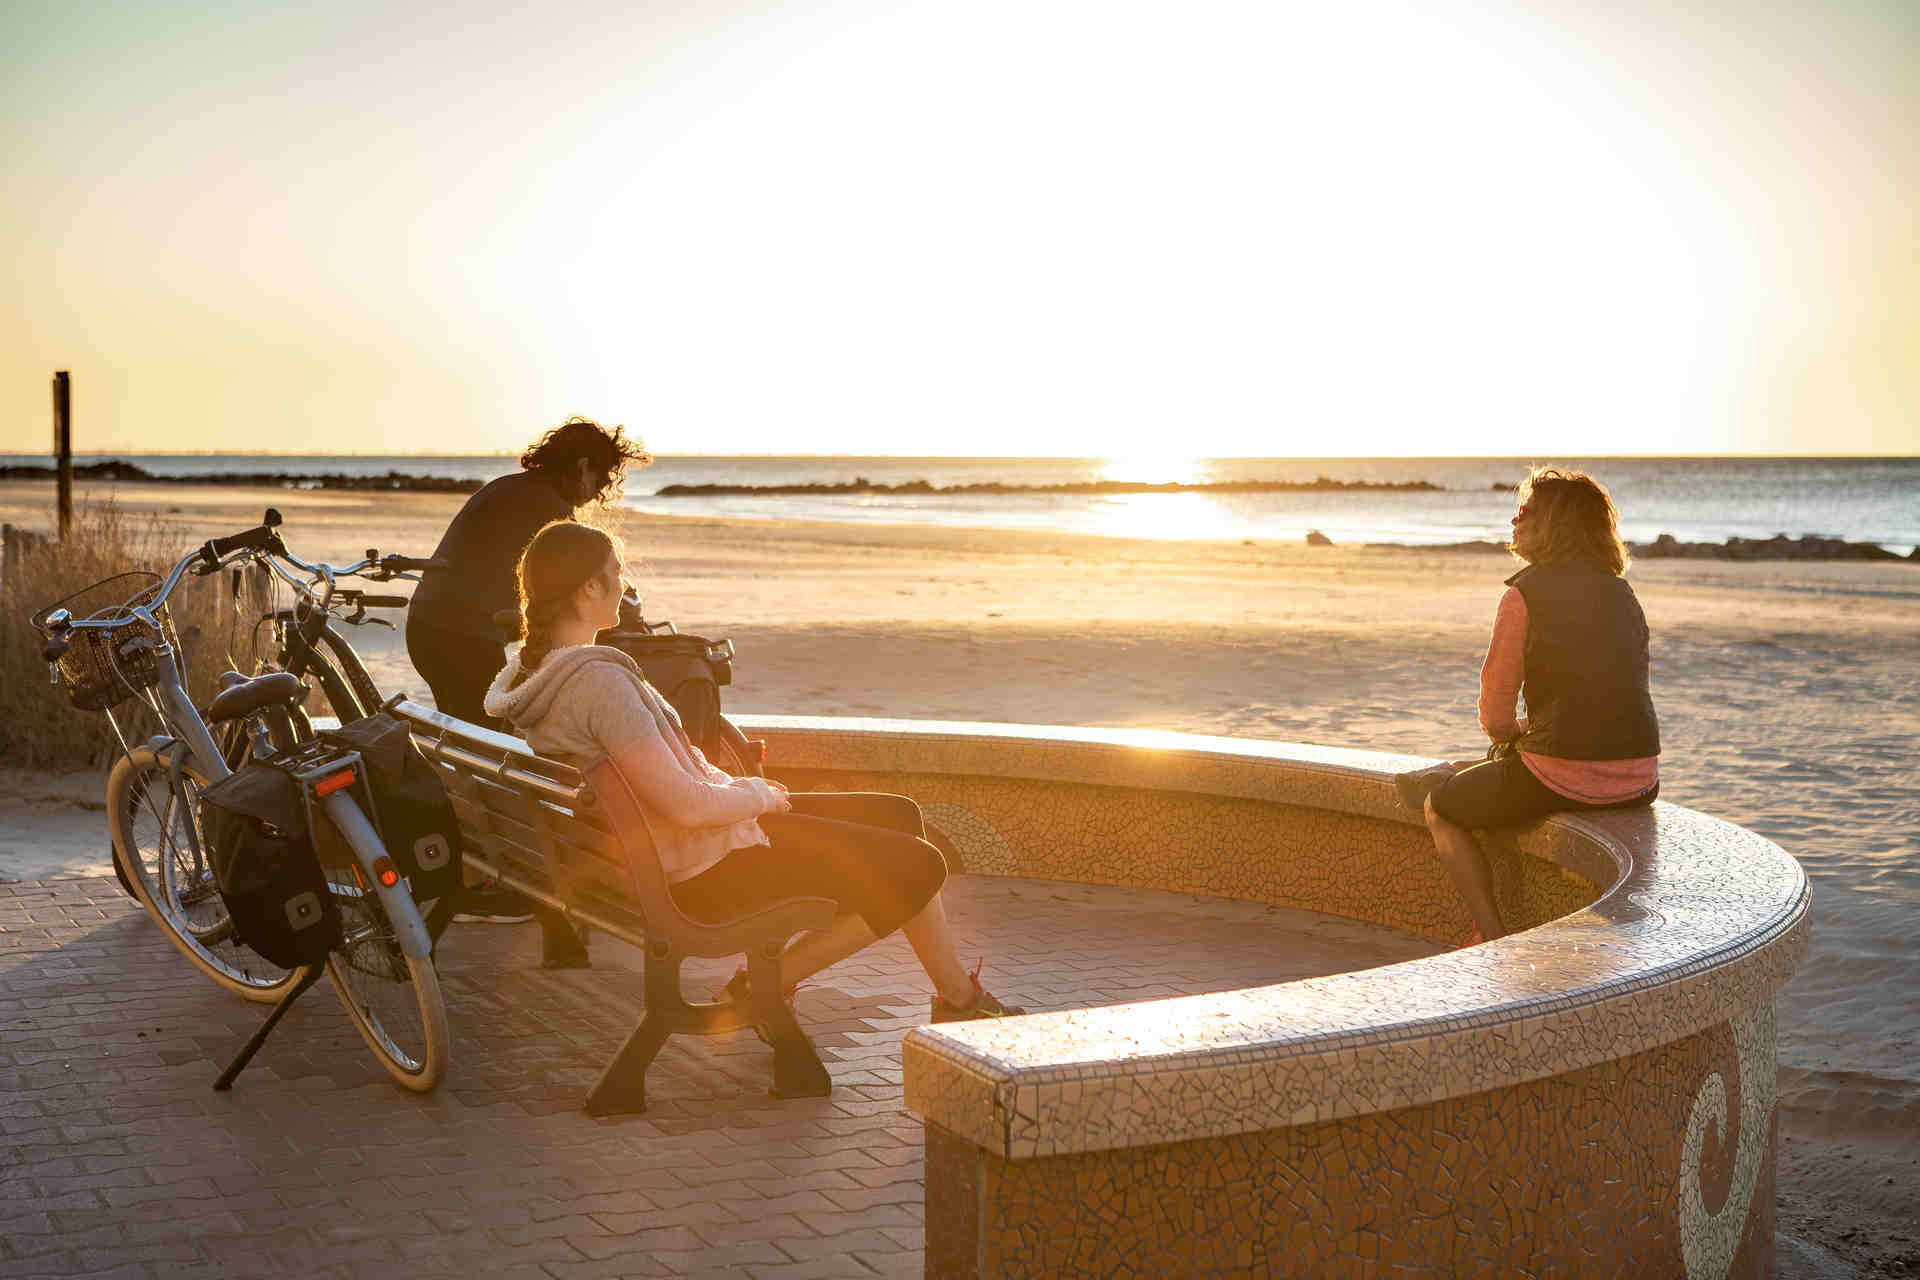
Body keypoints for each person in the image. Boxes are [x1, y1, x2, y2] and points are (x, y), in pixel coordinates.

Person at [482, 519, 1024, 1022]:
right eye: (615, 574)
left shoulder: (536, 675)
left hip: (660, 852)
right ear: (587, 590)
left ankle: (956, 996)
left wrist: (746, 794)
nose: (624, 585)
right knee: (921, 865)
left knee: (897, 815)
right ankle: (765, 986)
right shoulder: (596, 684)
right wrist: (758, 796)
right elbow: (687, 805)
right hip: (700, 871)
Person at [1395, 467, 1660, 942]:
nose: (1515, 521)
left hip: (1566, 775)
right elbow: (1611, 693)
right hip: (1640, 776)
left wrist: (1512, 735)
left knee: (1441, 805)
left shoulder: (1524, 595)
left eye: (1527, 512)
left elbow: (1495, 717)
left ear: (1554, 526)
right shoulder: (1622, 593)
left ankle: (1492, 935)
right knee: (1495, 767)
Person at [407, 417, 649, 927]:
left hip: (434, 629)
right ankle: (493, 885)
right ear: (582, 466)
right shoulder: (548, 510)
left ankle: (477, 878)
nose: (598, 494)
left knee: (472, 752)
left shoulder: (513, 490)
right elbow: (579, 583)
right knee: (492, 758)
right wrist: (631, 619)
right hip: (458, 638)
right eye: (601, 480)